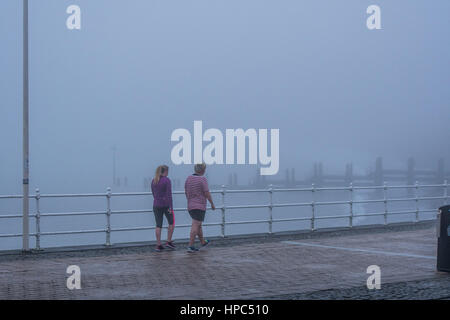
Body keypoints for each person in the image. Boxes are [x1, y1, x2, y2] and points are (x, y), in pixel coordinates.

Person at [184, 163, 215, 252]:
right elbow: (207, 193)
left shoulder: (188, 178)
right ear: (202, 170)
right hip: (199, 206)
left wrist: (190, 201)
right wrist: (212, 204)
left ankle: (202, 242)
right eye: (204, 169)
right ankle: (190, 246)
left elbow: (186, 191)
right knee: (195, 225)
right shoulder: (202, 179)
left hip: (190, 206)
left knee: (198, 225)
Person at [151, 165, 175, 252]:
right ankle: (168, 241)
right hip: (166, 205)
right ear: (165, 171)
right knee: (171, 222)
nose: (168, 173)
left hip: (156, 205)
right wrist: (170, 207)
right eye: (167, 171)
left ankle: (158, 244)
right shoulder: (167, 180)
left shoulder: (154, 180)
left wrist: (158, 200)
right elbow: (169, 195)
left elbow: (153, 193)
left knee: (158, 225)